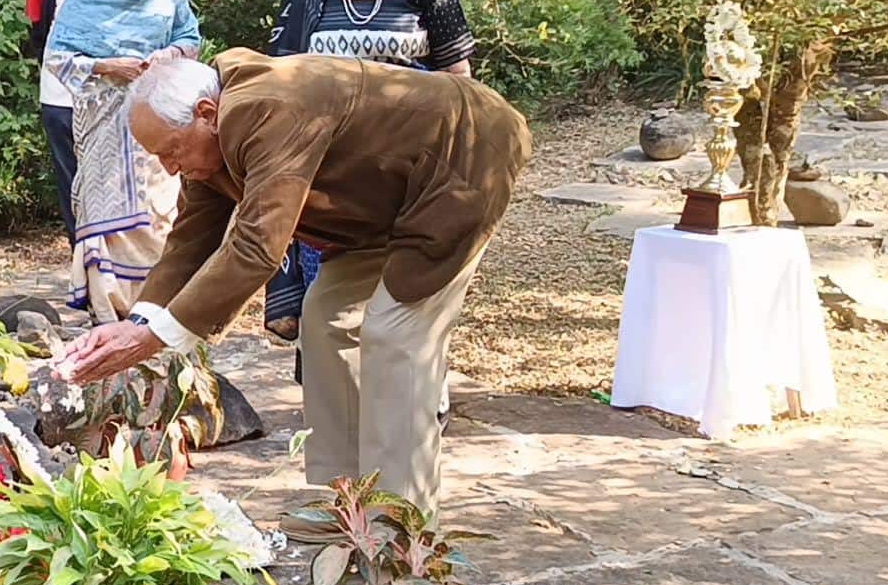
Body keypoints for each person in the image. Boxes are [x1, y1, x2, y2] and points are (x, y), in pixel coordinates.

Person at [54, 50, 531, 512]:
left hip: (462, 162)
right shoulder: (213, 131)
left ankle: (402, 524)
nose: (169, 168)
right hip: (386, 197)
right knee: (325, 318)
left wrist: (155, 338)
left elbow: (257, 246)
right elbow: (192, 235)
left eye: (171, 151)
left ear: (206, 114)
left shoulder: (269, 109)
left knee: (395, 335)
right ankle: (349, 503)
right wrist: (139, 320)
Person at [264, 0, 479, 366]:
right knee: (329, 310)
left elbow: (458, 77)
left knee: (405, 307)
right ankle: (335, 406)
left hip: (410, 177)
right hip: (331, 178)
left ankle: (415, 399)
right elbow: (284, 75)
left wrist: (459, 167)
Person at [43, 0, 202, 323]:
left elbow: (189, 36)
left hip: (157, 114)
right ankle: (107, 311)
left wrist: (167, 56)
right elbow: (57, 56)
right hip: (104, 117)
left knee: (158, 212)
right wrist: (108, 66)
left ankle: (157, 308)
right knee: (104, 213)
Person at [24, 0, 106, 242]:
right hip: (59, 84)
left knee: (106, 168)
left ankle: (110, 248)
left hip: (106, 81)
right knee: (68, 171)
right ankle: (80, 247)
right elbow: (37, 26)